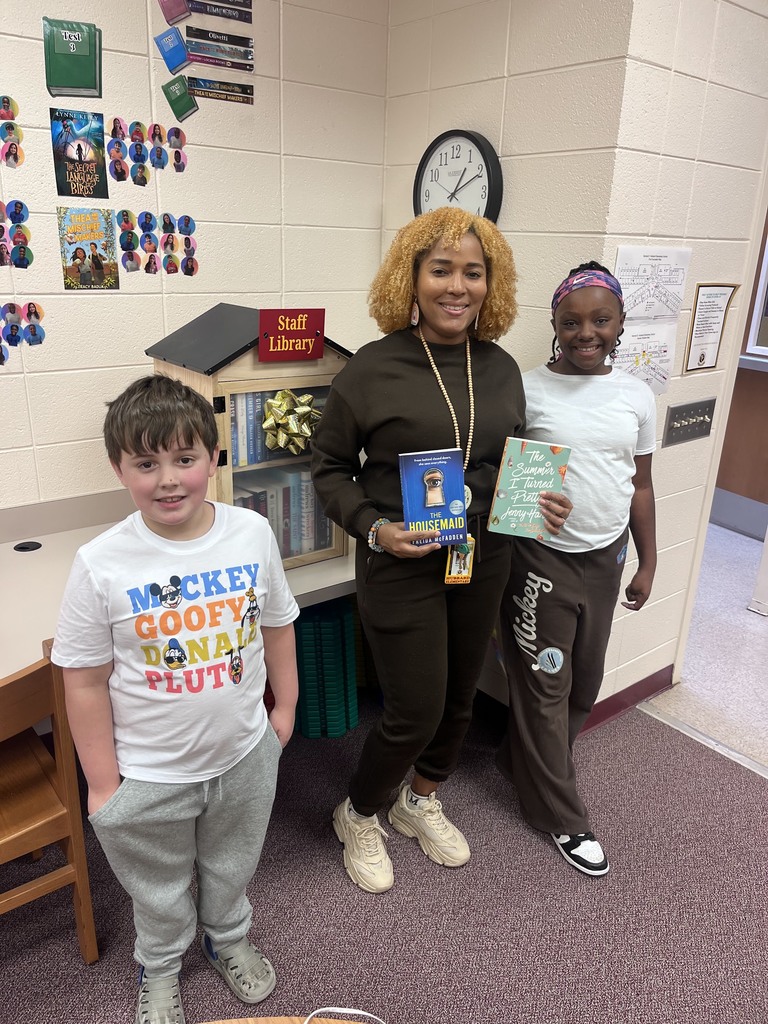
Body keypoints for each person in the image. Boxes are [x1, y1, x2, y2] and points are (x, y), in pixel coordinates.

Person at [311, 206, 570, 894]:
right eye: (442, 270)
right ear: (412, 278)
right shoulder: (372, 369)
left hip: (483, 555)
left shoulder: (502, 369)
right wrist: (374, 529)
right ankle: (358, 811)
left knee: (460, 697)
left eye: (473, 272)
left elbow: (512, 462)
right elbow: (330, 470)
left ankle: (419, 798)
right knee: (414, 708)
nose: (458, 286)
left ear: (493, 283)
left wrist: (538, 498)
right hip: (402, 559)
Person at [52, 374, 299, 1024]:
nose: (168, 478)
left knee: (232, 865)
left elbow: (277, 621)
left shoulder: (250, 534)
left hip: (244, 755)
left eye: (185, 459)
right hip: (150, 773)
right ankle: (159, 967)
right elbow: (81, 679)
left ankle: (229, 938)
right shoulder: (101, 563)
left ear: (213, 460)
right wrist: (103, 784)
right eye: (147, 462)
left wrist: (286, 709)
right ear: (120, 468)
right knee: (158, 891)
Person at [496, 262, 657, 878]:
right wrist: (524, 496)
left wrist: (648, 560)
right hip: (540, 560)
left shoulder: (636, 395)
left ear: (619, 324)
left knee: (583, 682)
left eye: (600, 320)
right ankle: (564, 817)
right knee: (544, 684)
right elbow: (501, 476)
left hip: (606, 557)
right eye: (572, 322)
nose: (585, 332)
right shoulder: (528, 389)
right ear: (555, 325)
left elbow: (640, 486)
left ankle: (528, 760)